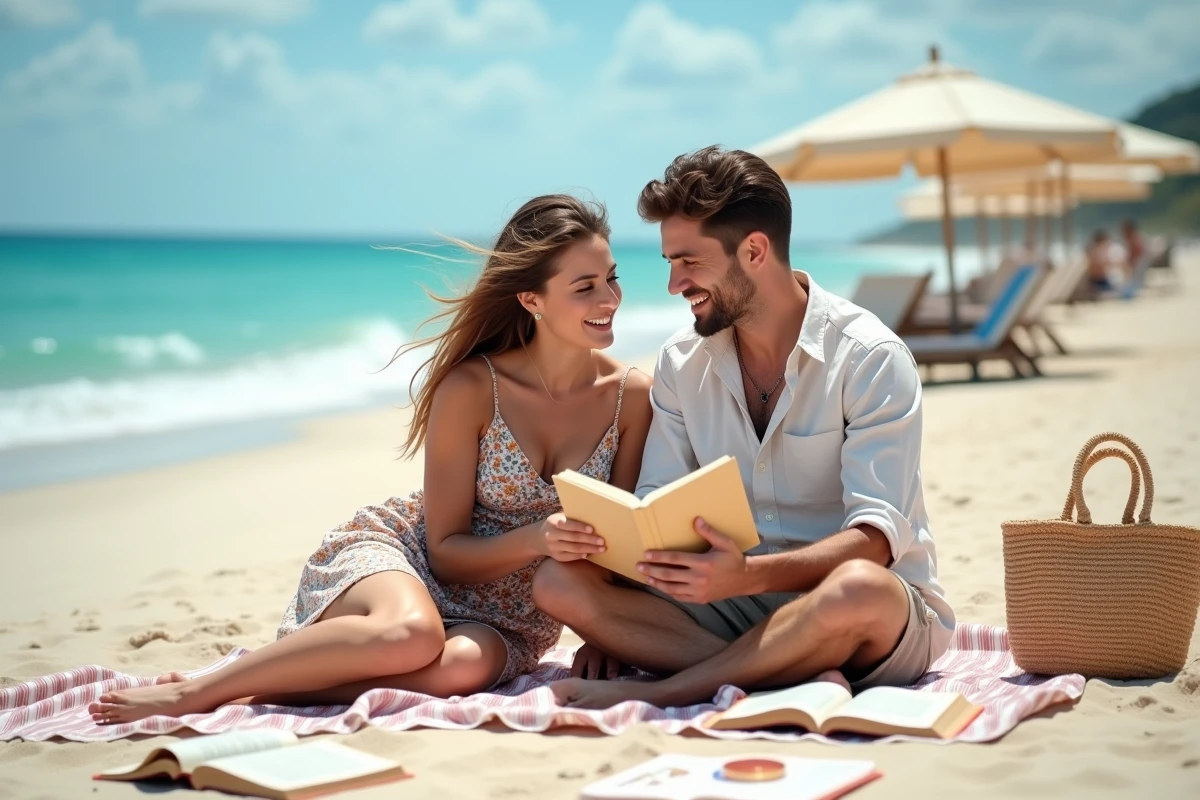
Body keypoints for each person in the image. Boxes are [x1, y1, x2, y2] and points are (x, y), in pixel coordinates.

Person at [88, 195, 653, 724]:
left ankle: (250, 685)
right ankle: (195, 691)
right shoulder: (474, 388)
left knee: (459, 669)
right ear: (532, 300)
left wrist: (606, 635)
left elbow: (620, 545)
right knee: (409, 635)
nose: (609, 300)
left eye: (612, 279)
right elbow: (447, 554)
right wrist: (537, 539)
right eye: (585, 287)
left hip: (510, 618)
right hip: (409, 561)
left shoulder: (632, 396)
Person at [533, 147, 955, 709]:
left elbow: (875, 542)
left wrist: (744, 578)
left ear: (754, 250)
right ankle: (786, 670)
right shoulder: (682, 363)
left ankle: (673, 688)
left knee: (859, 591)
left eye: (689, 261)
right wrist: (619, 593)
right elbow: (657, 500)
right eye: (668, 262)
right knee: (556, 582)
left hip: (865, 610)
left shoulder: (870, 357)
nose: (674, 283)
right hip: (727, 603)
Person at [1086, 229, 1115, 293]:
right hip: (1097, 281)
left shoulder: (1094, 251)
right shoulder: (1096, 252)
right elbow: (1100, 268)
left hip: (1098, 280)